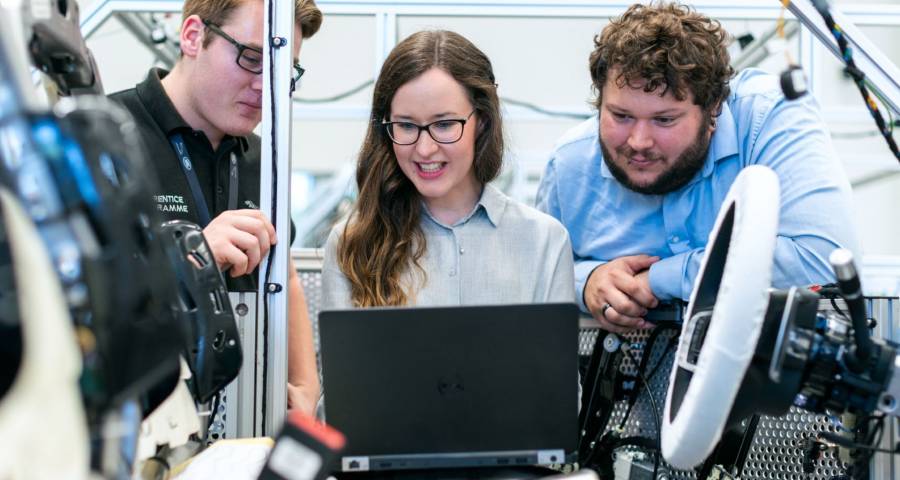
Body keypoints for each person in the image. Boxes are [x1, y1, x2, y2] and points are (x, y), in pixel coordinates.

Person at [536, 2, 858, 333]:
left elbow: (820, 259)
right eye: (621, 116)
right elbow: (537, 274)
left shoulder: (769, 119)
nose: (639, 141)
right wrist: (587, 281)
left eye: (664, 120)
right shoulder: (569, 165)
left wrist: (657, 280)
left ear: (713, 107)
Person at [110, 0, 323, 414]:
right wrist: (192, 258)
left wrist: (304, 383)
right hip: (143, 413)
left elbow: (287, 273)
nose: (266, 86)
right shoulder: (108, 136)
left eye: (283, 69)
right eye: (252, 58)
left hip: (243, 417)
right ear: (193, 36)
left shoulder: (264, 159)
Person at [322, 30, 575, 309]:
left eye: (443, 125)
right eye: (406, 125)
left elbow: (550, 354)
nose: (425, 149)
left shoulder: (544, 242)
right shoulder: (351, 244)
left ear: (481, 121)